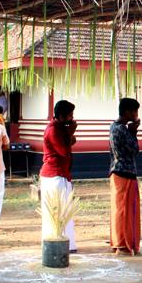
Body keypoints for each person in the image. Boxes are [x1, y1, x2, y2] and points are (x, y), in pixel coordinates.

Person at [40, 100, 77, 252]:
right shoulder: (54, 130)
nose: (72, 119)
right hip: (54, 175)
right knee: (58, 213)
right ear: (61, 116)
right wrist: (70, 134)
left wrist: (69, 134)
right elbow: (63, 151)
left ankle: (65, 243)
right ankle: (56, 243)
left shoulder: (58, 128)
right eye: (70, 115)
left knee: (65, 212)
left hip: (61, 173)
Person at [108, 97, 141, 255]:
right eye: (134, 111)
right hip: (125, 173)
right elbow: (134, 150)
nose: (136, 114)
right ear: (127, 112)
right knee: (126, 211)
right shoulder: (122, 129)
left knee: (119, 210)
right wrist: (134, 132)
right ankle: (123, 244)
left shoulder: (114, 126)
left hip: (117, 172)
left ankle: (118, 242)